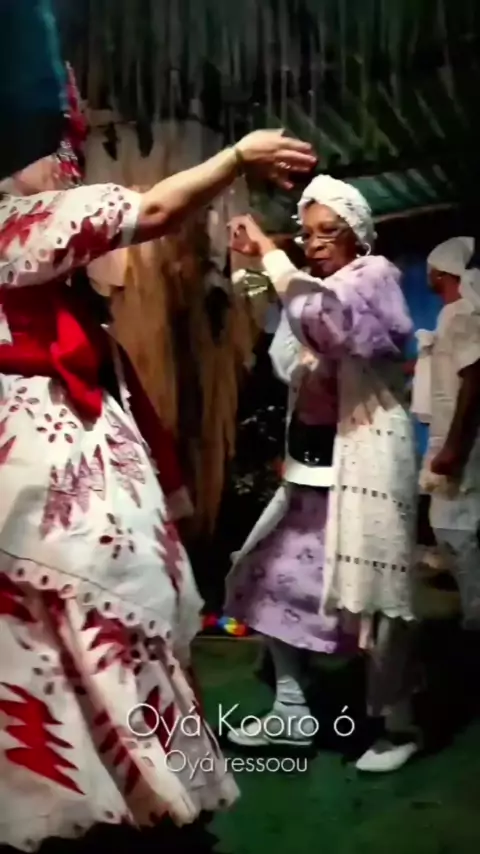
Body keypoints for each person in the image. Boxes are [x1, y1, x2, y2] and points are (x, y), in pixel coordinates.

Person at [0, 63, 317, 849]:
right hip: (44, 451)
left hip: (54, 443)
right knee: (91, 607)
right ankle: (122, 799)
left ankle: (115, 794)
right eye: (52, 147)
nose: (67, 164)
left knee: (79, 620)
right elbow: (152, 208)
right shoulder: (18, 223)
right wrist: (235, 157)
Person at [225, 175, 420, 772]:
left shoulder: (373, 277)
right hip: (313, 468)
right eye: (308, 234)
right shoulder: (320, 288)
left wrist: (271, 254)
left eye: (328, 232)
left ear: (357, 236)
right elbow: (291, 356)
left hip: (366, 464)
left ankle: (397, 723)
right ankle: (291, 709)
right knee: (273, 577)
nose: (315, 243)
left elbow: (327, 326)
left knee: (376, 598)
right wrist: (270, 280)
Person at [421, 237, 480, 630]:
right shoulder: (452, 316)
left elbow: (474, 378)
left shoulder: (462, 315)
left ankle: (476, 614)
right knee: (451, 525)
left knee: (454, 526)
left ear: (441, 273)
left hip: (464, 440)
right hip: (451, 435)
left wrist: (455, 445)